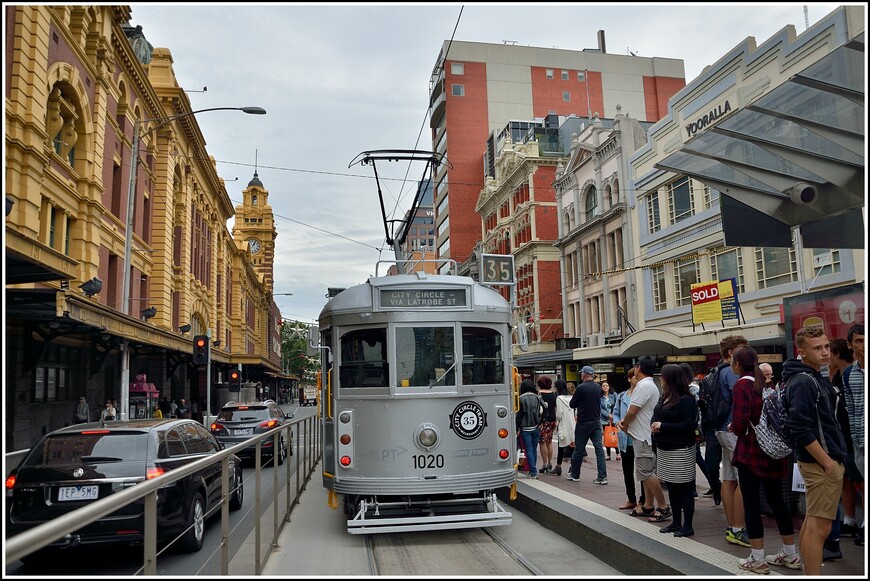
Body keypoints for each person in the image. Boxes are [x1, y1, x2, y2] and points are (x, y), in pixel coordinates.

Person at [729, 345, 802, 573]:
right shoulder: (767, 384)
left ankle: (757, 558)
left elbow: (740, 423)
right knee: (777, 500)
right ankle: (790, 554)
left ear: (738, 364)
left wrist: (735, 427)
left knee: (751, 503)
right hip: (774, 450)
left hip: (751, 451)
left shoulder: (742, 384)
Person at [783, 325, 848, 576]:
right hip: (821, 463)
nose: (824, 352)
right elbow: (800, 425)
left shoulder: (809, 377)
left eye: (826, 346)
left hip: (819, 461)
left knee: (812, 525)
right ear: (802, 352)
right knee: (819, 529)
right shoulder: (804, 381)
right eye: (817, 348)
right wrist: (828, 463)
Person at [617, 356, 670, 522]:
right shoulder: (650, 385)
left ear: (638, 368)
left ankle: (663, 506)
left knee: (646, 473)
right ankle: (648, 505)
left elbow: (632, 410)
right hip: (643, 435)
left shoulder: (643, 386)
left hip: (643, 436)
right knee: (644, 472)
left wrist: (624, 424)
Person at [651, 364, 698, 537]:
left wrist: (663, 426)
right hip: (665, 447)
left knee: (684, 488)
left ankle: (688, 526)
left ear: (670, 379)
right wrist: (656, 424)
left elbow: (688, 425)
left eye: (663, 377)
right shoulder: (665, 397)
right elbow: (658, 414)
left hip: (680, 449)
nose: (661, 379)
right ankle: (676, 522)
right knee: (671, 486)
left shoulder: (686, 399)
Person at [713, 335, 750, 548]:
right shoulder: (732, 372)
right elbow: (741, 399)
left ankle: (731, 526)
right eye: (742, 349)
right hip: (733, 429)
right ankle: (738, 528)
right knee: (744, 478)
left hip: (720, 429)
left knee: (728, 478)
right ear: (731, 354)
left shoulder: (718, 371)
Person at [823, 337, 859, 561]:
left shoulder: (849, 375)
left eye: (828, 350)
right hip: (843, 438)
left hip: (850, 437)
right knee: (846, 480)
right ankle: (850, 520)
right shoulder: (836, 376)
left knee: (857, 480)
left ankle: (856, 523)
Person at [841, 323, 865, 548]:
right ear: (850, 345)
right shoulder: (849, 374)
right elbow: (851, 409)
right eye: (858, 341)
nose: (863, 345)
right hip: (860, 441)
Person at [566, 366, 607, 485]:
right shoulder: (598, 388)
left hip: (583, 422)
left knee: (579, 449)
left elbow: (572, 404)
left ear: (584, 375)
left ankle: (575, 474)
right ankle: (602, 476)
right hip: (596, 421)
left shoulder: (581, 387)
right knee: (599, 449)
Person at [612, 366, 645, 511]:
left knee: (643, 470)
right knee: (627, 470)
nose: (636, 380)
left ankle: (643, 500)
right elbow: (616, 413)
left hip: (639, 437)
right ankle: (631, 498)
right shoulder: (621, 396)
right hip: (625, 439)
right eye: (634, 377)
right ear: (629, 379)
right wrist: (618, 423)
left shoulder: (643, 394)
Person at [681, 362, 711, 498]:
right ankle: (713, 484)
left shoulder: (692, 390)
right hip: (694, 429)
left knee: (695, 458)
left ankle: (712, 484)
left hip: (693, 430)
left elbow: (697, 411)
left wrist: (697, 430)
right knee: (695, 458)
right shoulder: (691, 389)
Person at [517, 378, 543, 478]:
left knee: (528, 449)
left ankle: (533, 471)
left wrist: (518, 427)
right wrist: (541, 421)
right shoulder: (537, 397)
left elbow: (519, 415)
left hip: (525, 428)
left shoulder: (521, 398)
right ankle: (533, 469)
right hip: (536, 426)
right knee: (533, 448)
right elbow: (545, 407)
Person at [554, 379, 575, 477]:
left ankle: (558, 466)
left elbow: (559, 414)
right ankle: (572, 466)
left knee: (561, 446)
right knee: (572, 446)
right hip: (573, 424)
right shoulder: (572, 397)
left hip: (563, 424)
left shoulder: (559, 399)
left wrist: (557, 420)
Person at [537, 376, 558, 474]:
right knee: (549, 441)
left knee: (542, 442)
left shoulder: (539, 395)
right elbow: (554, 408)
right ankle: (550, 463)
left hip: (543, 421)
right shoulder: (554, 395)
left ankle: (544, 464)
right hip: (552, 419)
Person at [600, 381, 619, 461]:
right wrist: (607, 415)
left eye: (606, 385)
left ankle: (617, 453)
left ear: (609, 387)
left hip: (613, 419)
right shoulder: (600, 397)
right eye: (603, 386)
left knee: (614, 435)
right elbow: (600, 408)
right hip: (605, 419)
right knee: (607, 436)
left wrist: (613, 415)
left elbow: (617, 405)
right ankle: (608, 454)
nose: (605, 387)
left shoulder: (614, 395)